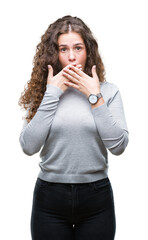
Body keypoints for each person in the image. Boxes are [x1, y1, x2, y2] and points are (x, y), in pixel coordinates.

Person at [19, 15, 129, 240]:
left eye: (78, 48)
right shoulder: (44, 93)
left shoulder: (108, 91)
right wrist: (52, 94)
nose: (71, 57)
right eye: (63, 49)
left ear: (88, 51)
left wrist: (94, 96)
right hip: (50, 198)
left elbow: (118, 146)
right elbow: (28, 146)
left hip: (96, 199)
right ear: (54, 53)